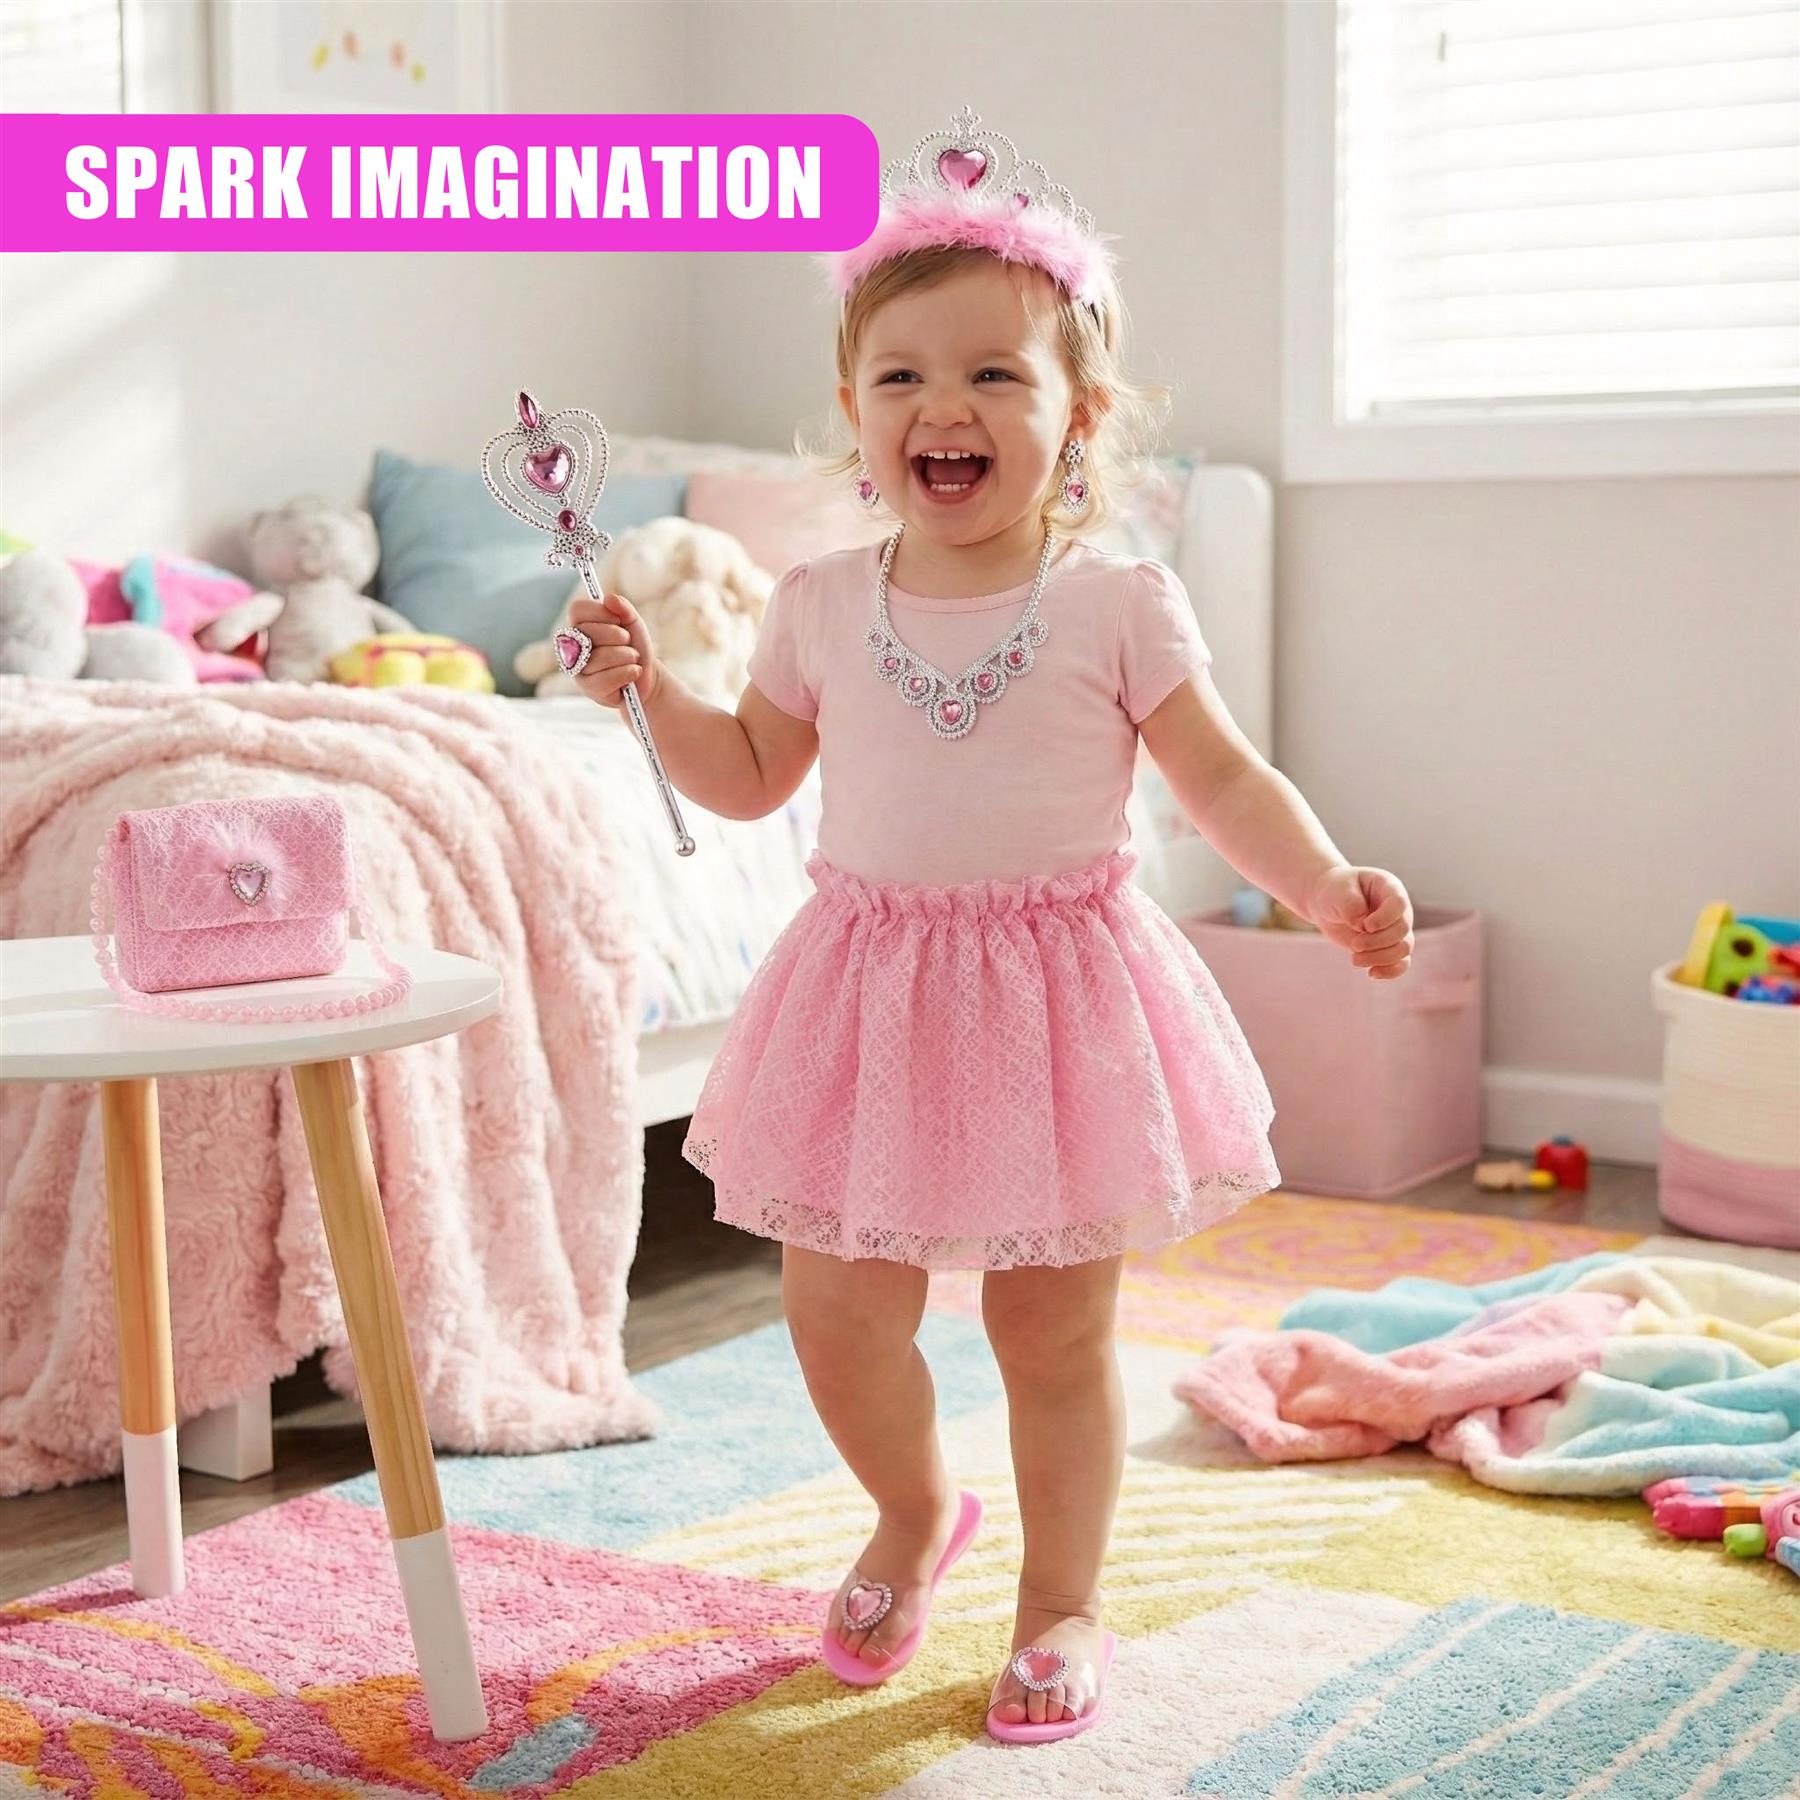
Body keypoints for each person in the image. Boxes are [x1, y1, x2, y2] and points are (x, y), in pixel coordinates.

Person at [565, 106, 1414, 1745]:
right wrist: (647, 695)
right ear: (853, 415)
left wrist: (1322, 892)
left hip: (1056, 998)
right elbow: (744, 779)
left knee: (1051, 1322)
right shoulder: (818, 601)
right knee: (838, 1309)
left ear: (1077, 416)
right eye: (903, 378)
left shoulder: (1115, 603)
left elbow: (1223, 779)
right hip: (869, 992)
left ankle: (1061, 1601)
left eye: (994, 376)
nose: (944, 407)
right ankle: (909, 1510)